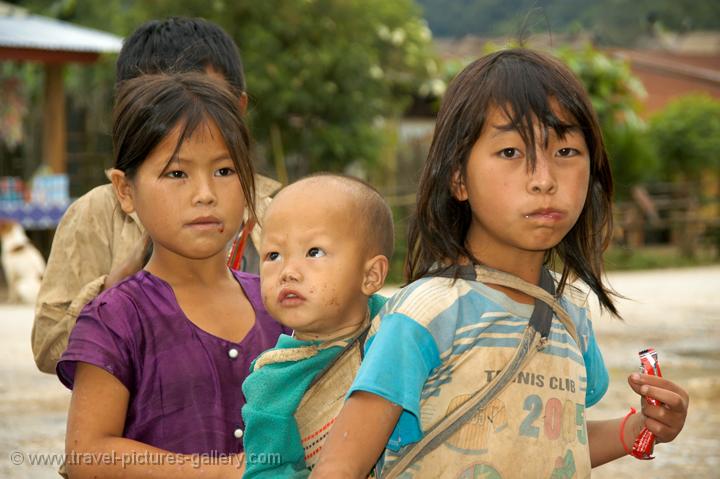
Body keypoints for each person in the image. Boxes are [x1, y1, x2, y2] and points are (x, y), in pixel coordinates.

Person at [311, 48, 690, 478]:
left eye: (565, 151)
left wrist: (641, 428)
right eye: (511, 152)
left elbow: (558, 443)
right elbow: (340, 467)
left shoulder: (572, 315)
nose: (544, 179)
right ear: (458, 178)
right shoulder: (427, 313)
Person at [56, 72, 289, 478]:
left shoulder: (278, 301)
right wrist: (223, 473)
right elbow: (87, 456)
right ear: (125, 191)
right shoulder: (115, 318)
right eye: (177, 174)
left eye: (225, 171)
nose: (205, 193)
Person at [31, 17, 280, 374]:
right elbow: (47, 349)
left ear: (238, 109)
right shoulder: (96, 213)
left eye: (206, 99)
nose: (183, 115)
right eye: (155, 104)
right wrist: (110, 296)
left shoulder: (280, 214)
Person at [241, 174, 393, 478]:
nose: (288, 272)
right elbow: (265, 471)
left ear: (371, 275)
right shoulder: (273, 382)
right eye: (274, 255)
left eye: (314, 252)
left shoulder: (398, 328)